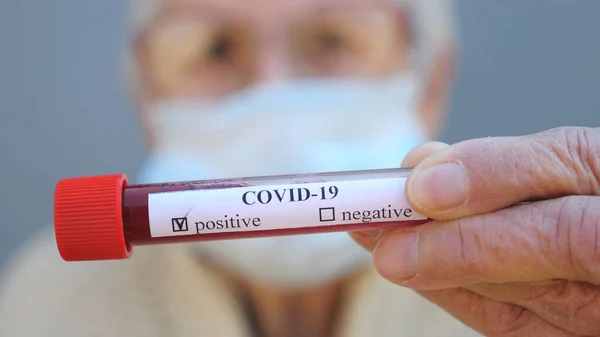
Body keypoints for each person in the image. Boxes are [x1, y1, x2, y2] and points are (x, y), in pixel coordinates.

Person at [0, 0, 479, 336]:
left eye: (334, 39)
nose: (273, 89)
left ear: (431, 79)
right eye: (215, 48)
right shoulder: (50, 308)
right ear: (147, 96)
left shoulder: (512, 290)